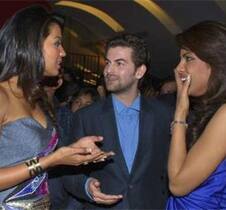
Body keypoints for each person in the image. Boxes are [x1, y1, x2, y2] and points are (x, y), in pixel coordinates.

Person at [0, 5, 112, 209]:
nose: (63, 52)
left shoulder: (36, 98)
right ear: (32, 44)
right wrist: (51, 161)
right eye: (57, 43)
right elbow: (45, 160)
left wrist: (71, 150)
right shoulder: (2, 96)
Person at [63, 34, 173, 209]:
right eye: (108, 62)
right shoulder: (86, 117)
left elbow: (171, 169)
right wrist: (86, 186)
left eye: (119, 63)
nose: (108, 70)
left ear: (139, 71)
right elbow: (67, 172)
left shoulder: (163, 115)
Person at [166, 21, 226, 209]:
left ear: (214, 62)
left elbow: (177, 185)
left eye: (188, 58)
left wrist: (180, 113)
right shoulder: (210, 110)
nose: (179, 68)